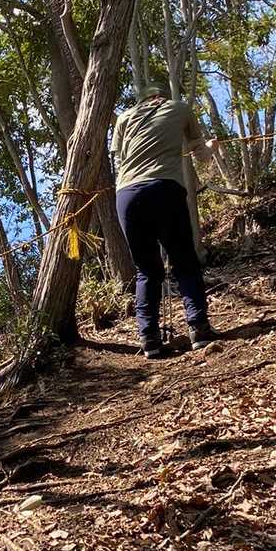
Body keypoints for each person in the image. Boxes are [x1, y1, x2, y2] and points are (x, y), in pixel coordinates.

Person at [110, 81, 219, 359]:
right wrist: (211, 146)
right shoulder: (179, 109)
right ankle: (198, 328)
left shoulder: (124, 118)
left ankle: (149, 339)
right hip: (165, 188)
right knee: (184, 261)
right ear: (161, 97)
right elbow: (202, 157)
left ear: (142, 101)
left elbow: (119, 159)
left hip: (127, 195)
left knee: (146, 270)